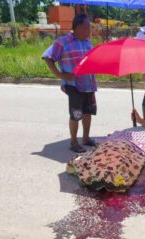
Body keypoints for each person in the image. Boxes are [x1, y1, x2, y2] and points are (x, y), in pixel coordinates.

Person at [42, 14, 97, 153]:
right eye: (87, 27)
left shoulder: (87, 42)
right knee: (76, 114)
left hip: (89, 84)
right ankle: (73, 142)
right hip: (74, 85)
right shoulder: (63, 41)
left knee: (88, 113)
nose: (89, 30)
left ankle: (86, 138)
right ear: (77, 27)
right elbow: (48, 57)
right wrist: (60, 75)